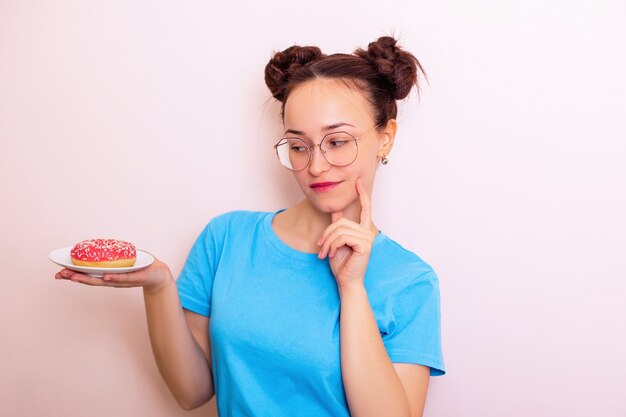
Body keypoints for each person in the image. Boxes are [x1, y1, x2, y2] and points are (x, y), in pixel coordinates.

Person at [55, 35, 445, 417]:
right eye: (298, 145)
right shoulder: (227, 239)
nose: (316, 165)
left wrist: (353, 288)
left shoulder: (410, 281)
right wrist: (159, 286)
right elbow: (192, 393)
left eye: (338, 141)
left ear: (385, 138)